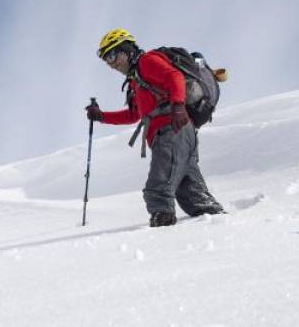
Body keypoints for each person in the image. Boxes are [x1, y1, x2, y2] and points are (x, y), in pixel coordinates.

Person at [87, 29, 224, 227]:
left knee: (157, 188)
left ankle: (162, 226)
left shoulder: (147, 61)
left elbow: (174, 76)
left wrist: (177, 106)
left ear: (126, 49)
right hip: (178, 133)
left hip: (172, 130)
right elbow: (134, 115)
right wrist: (101, 116)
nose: (111, 63)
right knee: (191, 194)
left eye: (112, 55)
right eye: (107, 60)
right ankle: (218, 222)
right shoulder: (136, 81)